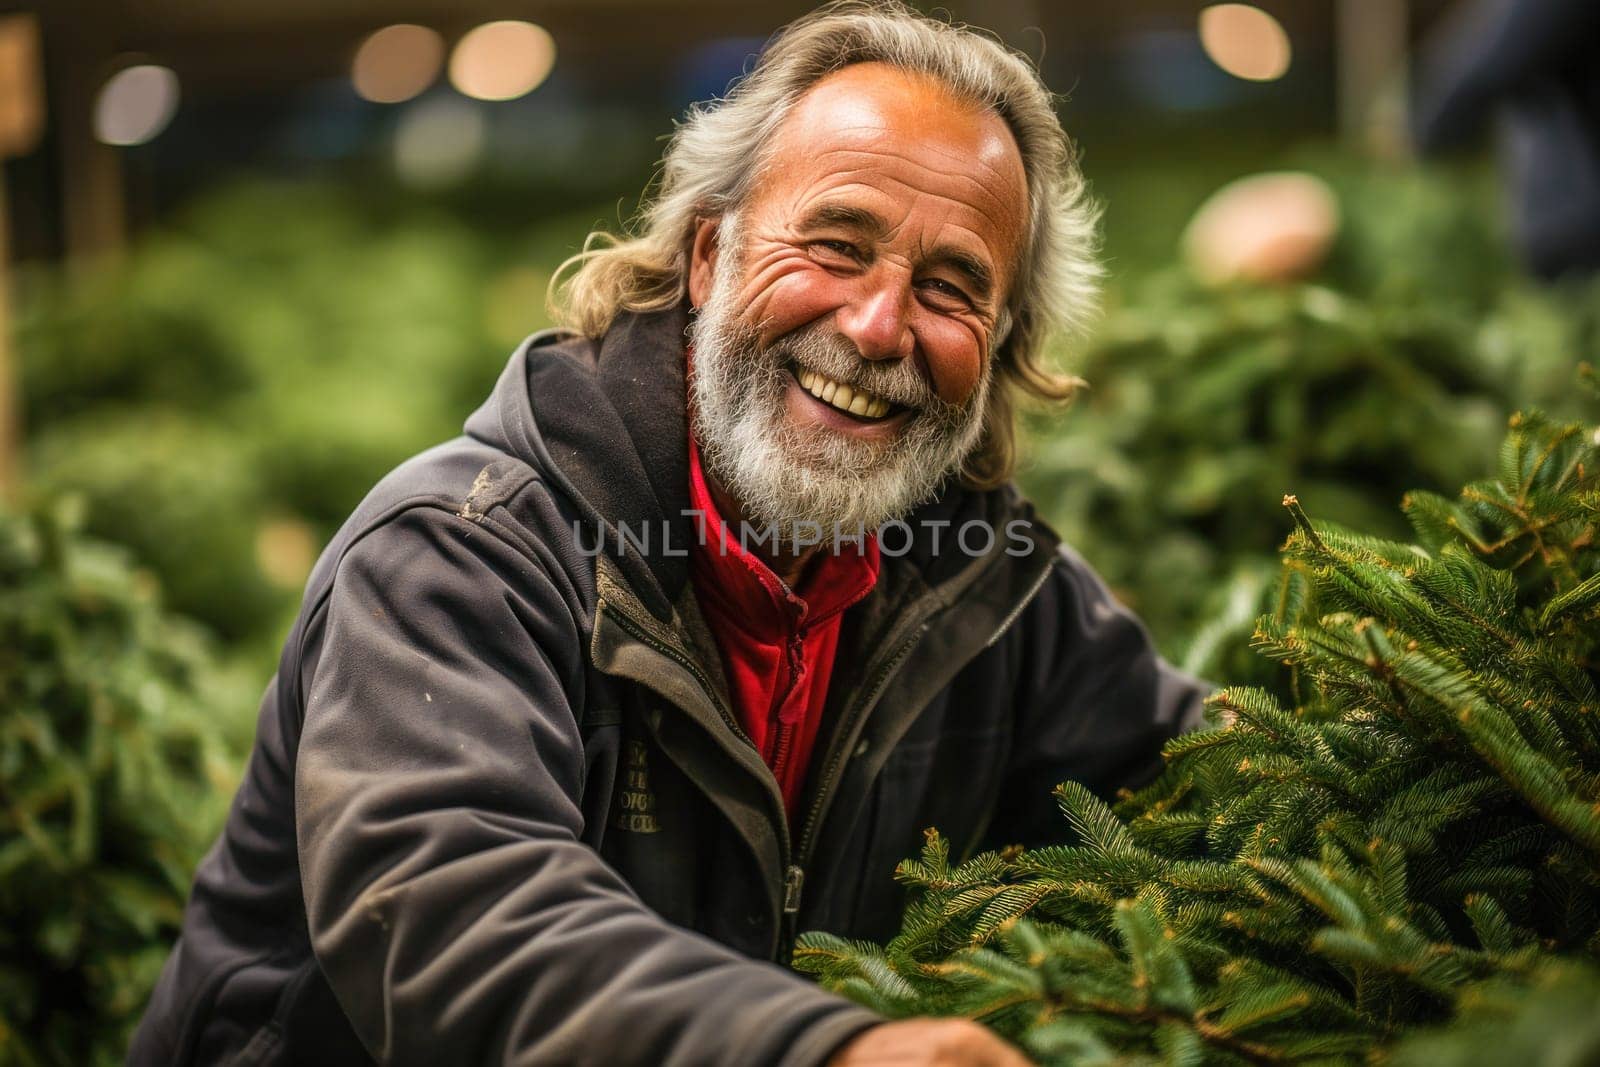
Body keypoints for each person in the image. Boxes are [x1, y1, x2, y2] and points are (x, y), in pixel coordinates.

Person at [130, 3, 1207, 1064]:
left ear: (1001, 340)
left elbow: (1215, 788)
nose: (880, 326)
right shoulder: (460, 557)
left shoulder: (987, 587)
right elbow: (461, 919)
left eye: (949, 287)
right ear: (707, 258)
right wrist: (825, 1048)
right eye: (836, 244)